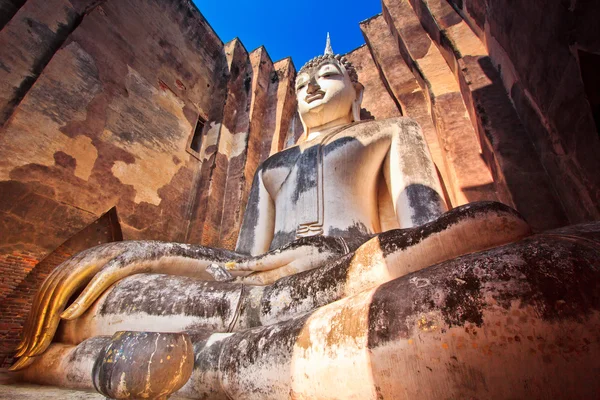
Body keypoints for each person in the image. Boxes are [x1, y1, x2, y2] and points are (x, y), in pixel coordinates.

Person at [11, 42, 530, 394]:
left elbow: (424, 227)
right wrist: (180, 262)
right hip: (254, 284)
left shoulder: (389, 132)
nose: (310, 86)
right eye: (303, 80)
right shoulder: (273, 165)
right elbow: (242, 260)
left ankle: (132, 359)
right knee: (125, 276)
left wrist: (367, 262)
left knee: (476, 237)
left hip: (345, 266)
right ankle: (86, 357)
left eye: (326, 75)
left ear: (358, 91)